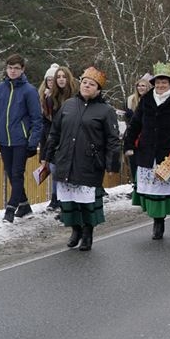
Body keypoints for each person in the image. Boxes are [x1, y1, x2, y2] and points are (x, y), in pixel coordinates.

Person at [43, 67, 121, 251]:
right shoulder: (68, 105)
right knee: (68, 202)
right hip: (65, 160)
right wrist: (47, 156)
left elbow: (113, 140)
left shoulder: (106, 111)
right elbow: (54, 132)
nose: (86, 86)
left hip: (90, 163)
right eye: (85, 82)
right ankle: (75, 230)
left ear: (98, 89)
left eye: (91, 84)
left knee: (86, 204)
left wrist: (112, 165)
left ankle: (87, 233)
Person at [124, 62, 170, 240]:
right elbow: (135, 124)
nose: (161, 85)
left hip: (168, 153)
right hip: (147, 150)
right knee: (151, 189)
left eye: (164, 82)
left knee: (162, 190)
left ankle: (159, 221)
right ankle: (156, 218)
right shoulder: (146, 100)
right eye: (158, 82)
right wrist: (129, 144)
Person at [0, 53, 43, 223]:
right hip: (4, 141)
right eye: (10, 68)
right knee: (11, 174)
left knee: (17, 174)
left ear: (22, 69)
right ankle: (24, 206)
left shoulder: (29, 91)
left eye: (16, 68)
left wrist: (32, 142)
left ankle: (10, 209)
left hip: (21, 141)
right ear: (6, 69)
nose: (12, 71)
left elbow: (37, 119)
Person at [40, 64, 78, 212]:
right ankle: (59, 200)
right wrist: (46, 151)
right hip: (58, 140)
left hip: (74, 138)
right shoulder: (51, 98)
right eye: (58, 77)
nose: (61, 79)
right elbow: (49, 123)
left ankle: (70, 202)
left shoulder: (75, 96)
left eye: (64, 77)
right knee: (55, 168)